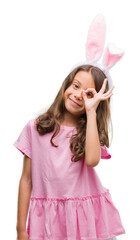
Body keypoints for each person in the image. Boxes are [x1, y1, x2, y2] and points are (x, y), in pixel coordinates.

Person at [13, 15, 126, 240]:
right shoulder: (35, 128)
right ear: (67, 83)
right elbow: (26, 179)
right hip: (48, 220)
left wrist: (92, 110)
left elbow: (93, 160)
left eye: (88, 94)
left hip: (83, 221)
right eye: (76, 85)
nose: (77, 95)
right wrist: (20, 229)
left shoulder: (89, 133)